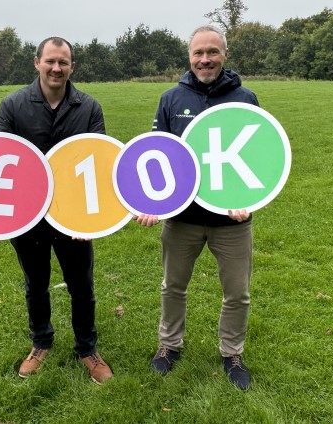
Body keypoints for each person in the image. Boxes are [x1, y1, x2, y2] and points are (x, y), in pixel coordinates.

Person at [136, 25, 257, 391]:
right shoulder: (171, 98)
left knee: (237, 293)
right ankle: (169, 346)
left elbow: (256, 158)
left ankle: (231, 353)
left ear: (225, 55)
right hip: (182, 219)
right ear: (189, 57)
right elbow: (158, 154)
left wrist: (247, 203)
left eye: (212, 52)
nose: (205, 59)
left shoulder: (246, 98)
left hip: (231, 221)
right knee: (173, 286)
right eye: (198, 53)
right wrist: (151, 202)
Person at [0, 36, 113, 384]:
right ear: (37, 63)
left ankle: (88, 349)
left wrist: (91, 218)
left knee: (81, 285)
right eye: (50, 61)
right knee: (36, 284)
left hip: (74, 216)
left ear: (72, 66)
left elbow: (100, 163)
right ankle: (41, 343)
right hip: (28, 216)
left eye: (63, 62)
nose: (56, 68)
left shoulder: (89, 107)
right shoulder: (13, 105)